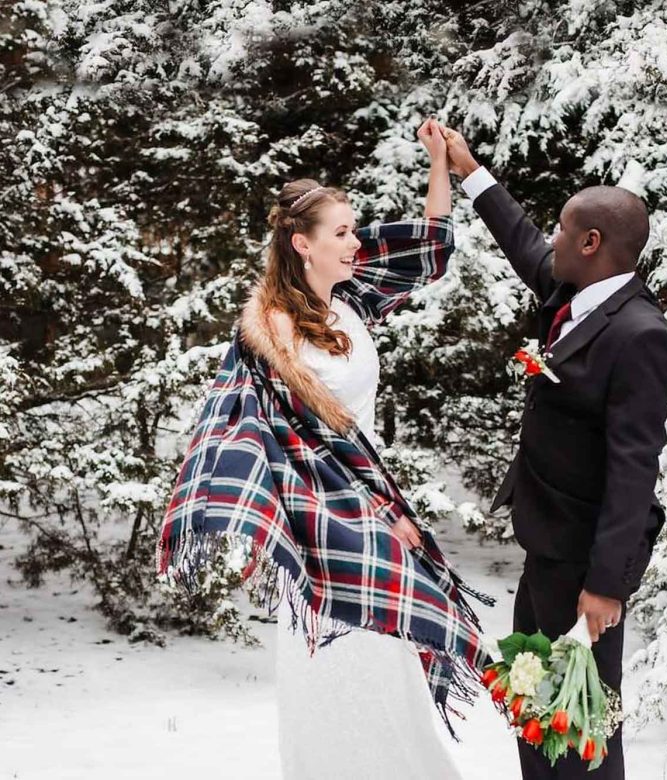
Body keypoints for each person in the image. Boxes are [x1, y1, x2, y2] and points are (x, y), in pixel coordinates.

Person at [155, 117, 495, 780]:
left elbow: (429, 249)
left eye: (354, 229)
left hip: (372, 518)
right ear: (302, 244)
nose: (356, 240)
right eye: (342, 232)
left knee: (388, 689)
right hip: (323, 537)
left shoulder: (350, 299)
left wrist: (439, 164)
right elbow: (253, 436)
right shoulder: (272, 338)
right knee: (337, 690)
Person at [442, 127, 667, 780]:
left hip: (583, 572)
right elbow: (526, 247)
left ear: (592, 243)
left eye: (562, 228)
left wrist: (606, 585)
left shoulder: (640, 337)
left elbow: (635, 471)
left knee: (582, 733)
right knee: (534, 711)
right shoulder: (578, 294)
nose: (550, 236)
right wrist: (472, 172)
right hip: (546, 548)